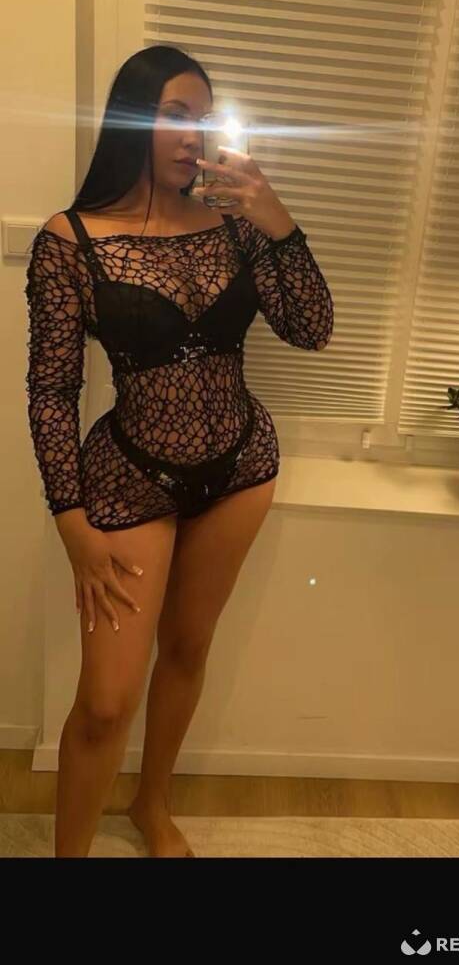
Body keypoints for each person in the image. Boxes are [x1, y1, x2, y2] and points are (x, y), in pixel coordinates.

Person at [24, 44, 334, 857]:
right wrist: (71, 521)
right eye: (174, 115)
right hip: (130, 478)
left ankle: (151, 805)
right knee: (104, 704)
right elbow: (52, 390)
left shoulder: (237, 226)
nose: (193, 135)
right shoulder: (70, 240)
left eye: (204, 118)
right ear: (132, 120)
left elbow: (312, 330)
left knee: (189, 648)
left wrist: (277, 219)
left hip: (240, 469)